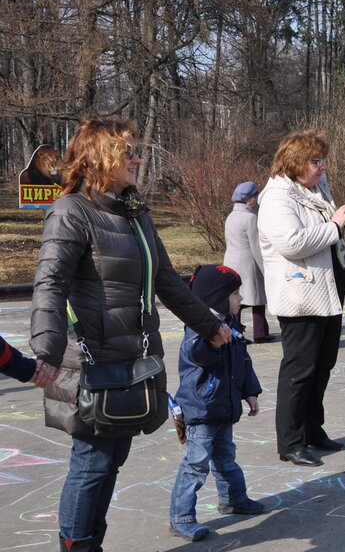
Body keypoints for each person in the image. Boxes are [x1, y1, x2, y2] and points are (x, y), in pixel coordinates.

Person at [30, 117, 230, 552]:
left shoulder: (134, 212)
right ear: (102, 157)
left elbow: (168, 282)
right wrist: (44, 350)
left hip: (131, 359)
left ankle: (90, 542)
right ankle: (78, 545)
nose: (138, 158)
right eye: (129, 151)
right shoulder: (71, 212)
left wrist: (211, 326)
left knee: (111, 459)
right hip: (91, 361)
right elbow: (50, 283)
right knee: (93, 461)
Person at [258, 130, 345, 465]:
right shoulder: (277, 196)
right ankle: (290, 442)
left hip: (326, 290)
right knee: (299, 370)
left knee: (322, 367)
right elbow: (291, 242)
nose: (323, 167)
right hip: (300, 294)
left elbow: (328, 231)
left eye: (323, 160)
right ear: (296, 162)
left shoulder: (314, 189)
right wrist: (334, 225)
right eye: (316, 161)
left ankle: (313, 430)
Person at [169, 265, 264, 542]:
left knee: (226, 458)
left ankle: (234, 499)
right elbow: (195, 353)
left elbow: (243, 361)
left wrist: (250, 391)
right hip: (202, 409)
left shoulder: (231, 324)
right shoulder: (199, 326)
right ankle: (181, 516)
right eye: (235, 293)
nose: (240, 299)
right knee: (196, 464)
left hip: (224, 406)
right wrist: (213, 341)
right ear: (216, 298)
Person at [224, 181, 273, 343]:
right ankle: (260, 333)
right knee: (257, 298)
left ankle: (235, 332)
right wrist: (266, 268)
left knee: (236, 300)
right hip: (248, 264)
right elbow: (256, 247)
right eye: (255, 196)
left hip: (231, 262)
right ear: (249, 199)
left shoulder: (231, 216)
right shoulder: (250, 218)